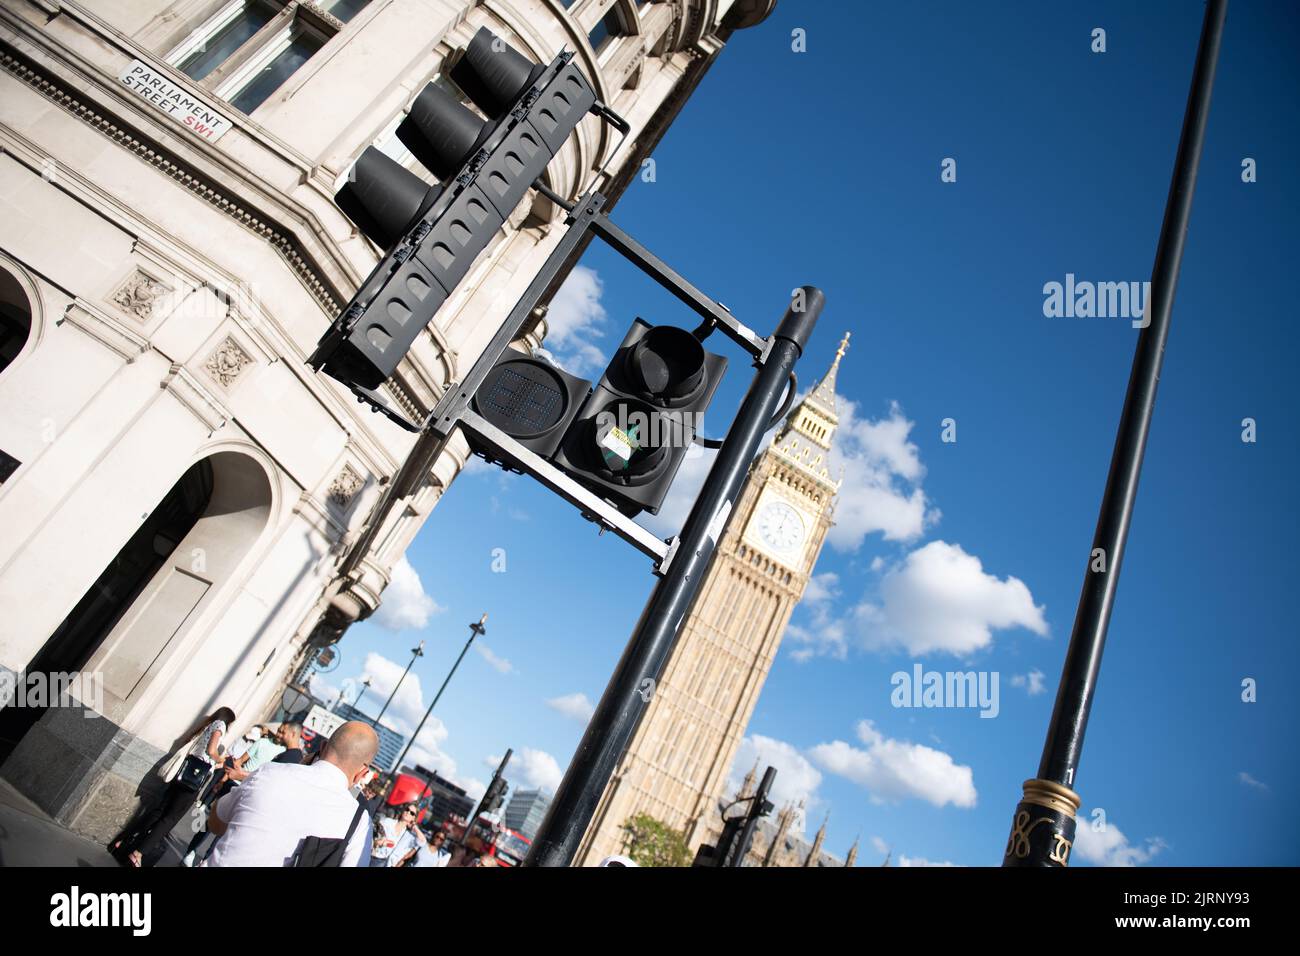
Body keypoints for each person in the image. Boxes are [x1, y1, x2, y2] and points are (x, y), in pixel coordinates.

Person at [202, 720, 379, 867]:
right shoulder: (359, 823)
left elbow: (216, 821)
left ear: (323, 747)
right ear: (362, 773)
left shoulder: (269, 772)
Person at [114, 707, 235, 867]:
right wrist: (221, 760)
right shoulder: (220, 726)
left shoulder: (209, 724)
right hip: (193, 780)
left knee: (159, 811)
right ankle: (138, 854)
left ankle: (123, 840)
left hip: (183, 772)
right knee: (170, 818)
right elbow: (211, 751)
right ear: (228, 720)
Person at [182, 721, 301, 865]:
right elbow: (239, 762)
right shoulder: (263, 743)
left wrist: (241, 776)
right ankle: (190, 851)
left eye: (282, 732)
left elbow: (267, 777)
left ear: (292, 734)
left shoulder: (286, 755)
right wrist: (224, 780)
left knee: (228, 831)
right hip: (235, 785)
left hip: (251, 792)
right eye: (279, 731)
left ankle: (207, 860)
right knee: (211, 822)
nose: (279, 734)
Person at [371, 803, 421, 867]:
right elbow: (373, 836)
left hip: (387, 863)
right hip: (373, 855)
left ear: (414, 818)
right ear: (403, 810)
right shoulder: (388, 822)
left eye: (412, 813)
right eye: (407, 809)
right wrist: (379, 842)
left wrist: (415, 827)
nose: (408, 812)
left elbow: (422, 842)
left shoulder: (407, 835)